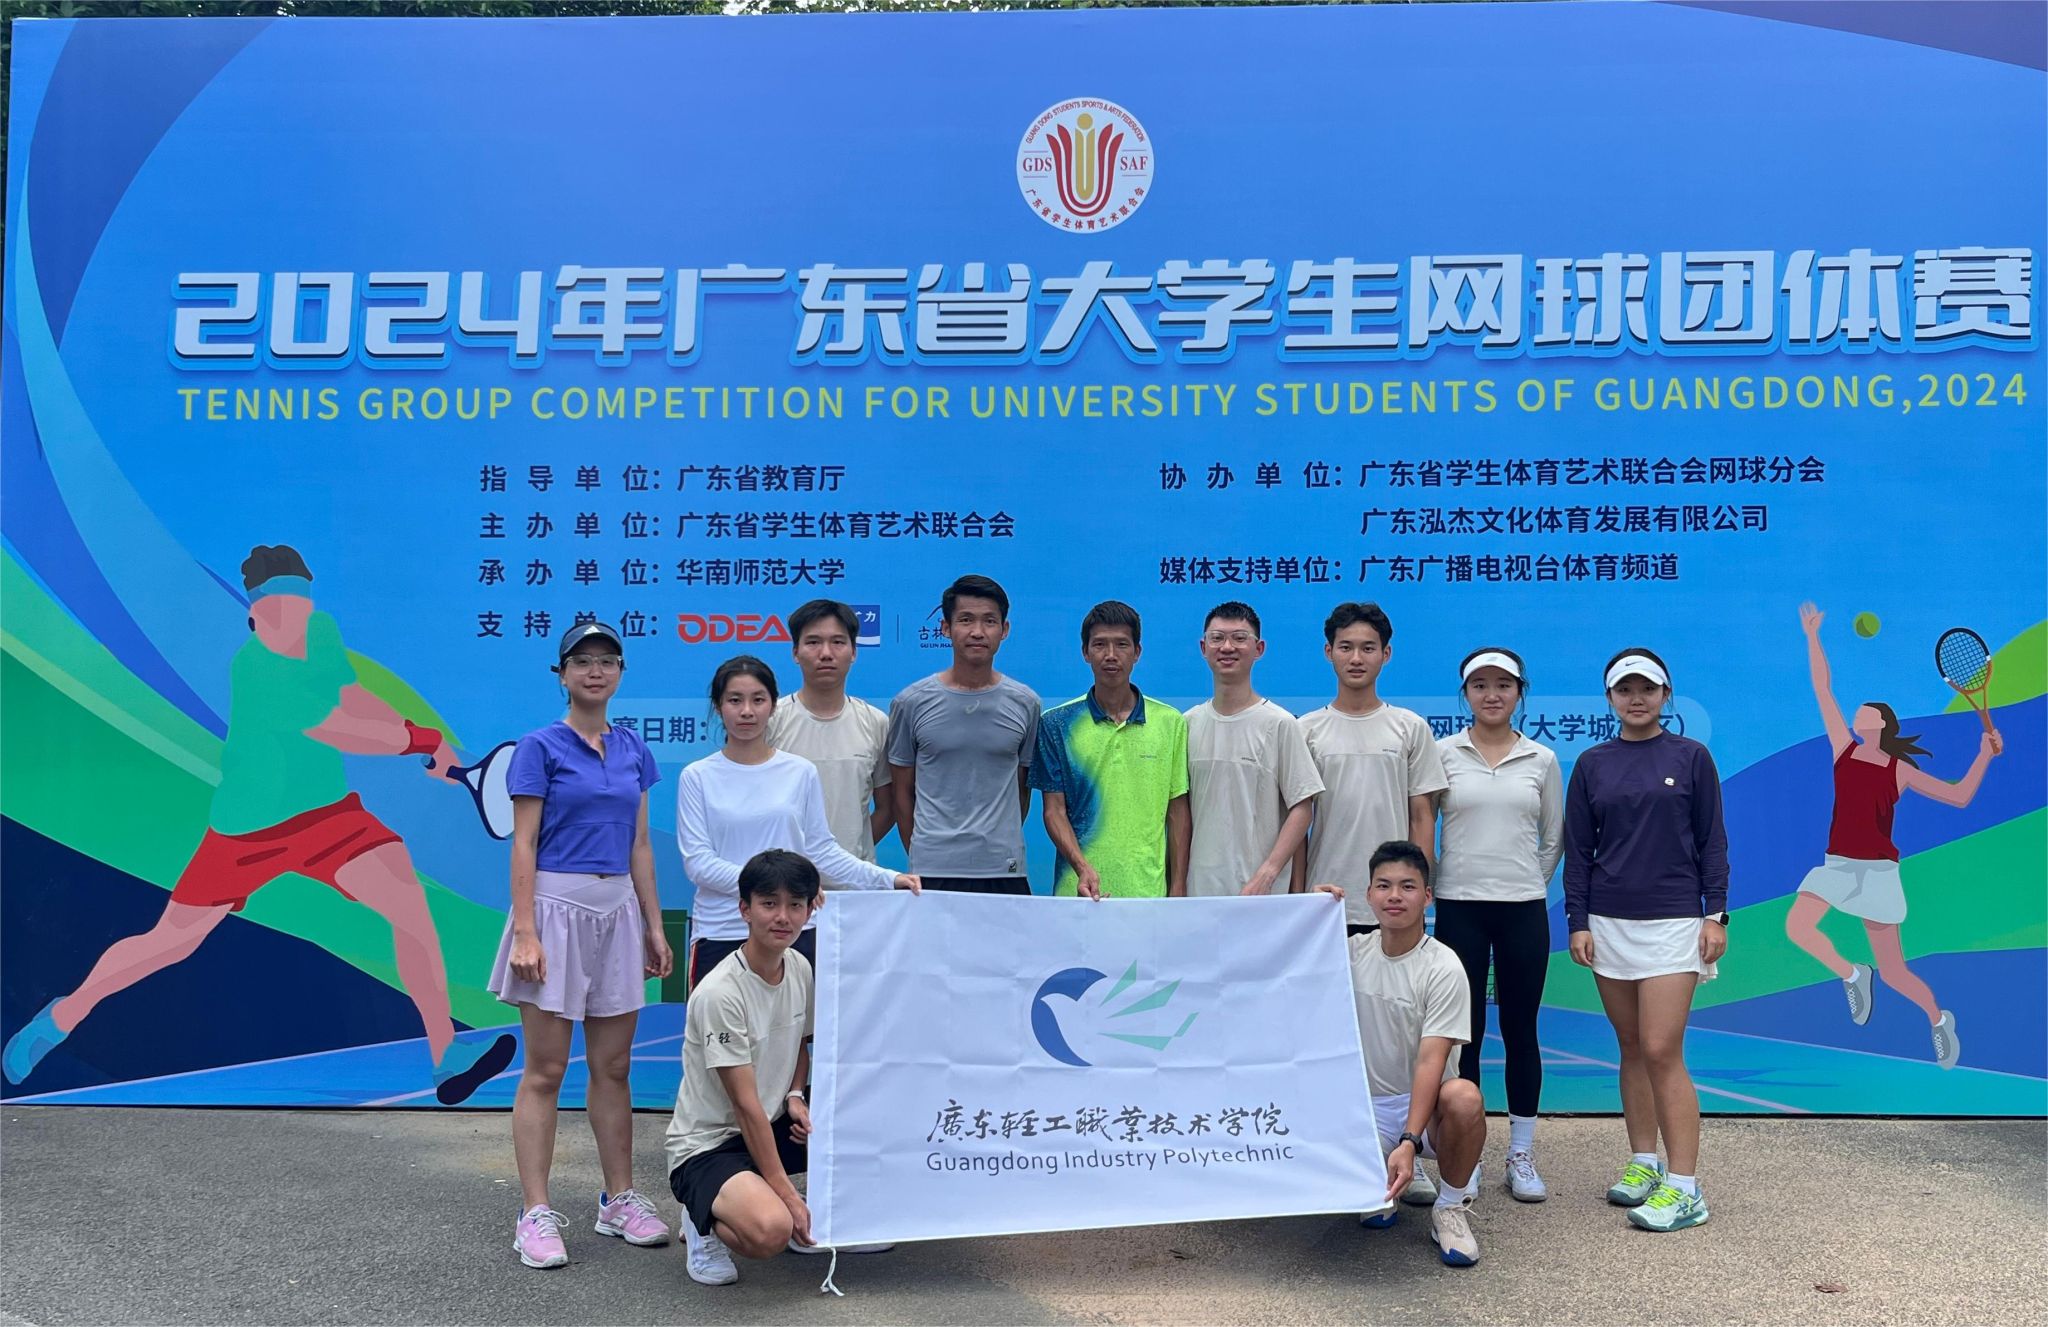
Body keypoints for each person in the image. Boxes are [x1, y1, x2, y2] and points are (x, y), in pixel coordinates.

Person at [2, 545, 514, 1101]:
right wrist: (422, 739)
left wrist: (421, 740)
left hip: (327, 815)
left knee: (407, 902)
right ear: (255, 612)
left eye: (299, 605)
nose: (291, 619)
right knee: (170, 943)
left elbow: (350, 695)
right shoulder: (255, 671)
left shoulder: (319, 634)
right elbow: (340, 729)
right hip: (249, 829)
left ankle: (445, 1054)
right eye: (278, 608)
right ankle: (64, 1015)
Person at [488, 622, 673, 1269]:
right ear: (562, 673)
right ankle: (534, 1212)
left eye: (607, 661)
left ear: (620, 672)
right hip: (553, 912)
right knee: (544, 1070)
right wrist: (527, 930)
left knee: (614, 1068)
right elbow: (524, 843)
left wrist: (653, 925)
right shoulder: (539, 747)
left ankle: (618, 1199)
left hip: (617, 912)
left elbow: (640, 844)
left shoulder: (633, 749)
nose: (596, 671)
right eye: (583, 661)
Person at [1785, 603, 2001, 1070]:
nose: (1856, 713)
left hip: (1879, 873)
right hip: (1839, 865)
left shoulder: (1900, 770)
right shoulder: (1843, 750)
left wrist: (1984, 755)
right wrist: (1812, 636)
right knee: (1797, 927)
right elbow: (1822, 687)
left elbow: (1959, 796)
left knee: (1895, 973)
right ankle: (1851, 974)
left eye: (1866, 711)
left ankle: (1938, 1019)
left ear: (1881, 724)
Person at [1564, 648, 1728, 1233]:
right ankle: (1644, 1162)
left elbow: (1712, 840)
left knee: (1661, 1049)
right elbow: (1579, 851)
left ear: (1665, 695)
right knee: (1631, 1045)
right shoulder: (1592, 764)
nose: (1636, 699)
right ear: (1610, 698)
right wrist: (1578, 921)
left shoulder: (1691, 757)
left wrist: (1717, 914)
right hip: (1608, 923)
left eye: (1647, 689)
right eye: (1625, 690)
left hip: (1674, 923)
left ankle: (1685, 1188)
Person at [1299, 600, 1448, 1205]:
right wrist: (1300, 899)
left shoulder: (1408, 728)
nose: (1356, 658)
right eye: (1345, 647)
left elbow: (1422, 815)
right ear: (1328, 652)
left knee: (1403, 1042)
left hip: (1393, 909)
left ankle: (1407, 1151)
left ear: (1386, 654)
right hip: (1329, 907)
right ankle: (1355, 1165)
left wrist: (1415, 895)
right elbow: (1299, 821)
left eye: (1368, 648)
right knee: (1340, 1041)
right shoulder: (1306, 730)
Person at [667, 850, 862, 1285]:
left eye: (796, 904)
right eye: (769, 903)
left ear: (810, 910)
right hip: (709, 1144)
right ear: (745, 909)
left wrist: (795, 1096)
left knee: (860, 1116)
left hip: (771, 1121)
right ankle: (700, 1219)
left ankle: (813, 1221)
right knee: (770, 1230)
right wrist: (787, 1194)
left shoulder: (799, 966)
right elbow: (745, 1105)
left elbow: (800, 1044)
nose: (783, 917)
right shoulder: (720, 993)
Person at [676, 657, 918, 991]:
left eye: (758, 700)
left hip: (792, 931)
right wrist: (782, 888)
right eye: (734, 700)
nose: (746, 711)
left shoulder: (800, 772)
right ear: (718, 707)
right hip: (723, 930)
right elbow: (699, 864)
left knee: (798, 1027)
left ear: (773, 706)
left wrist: (888, 879)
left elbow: (822, 850)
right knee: (719, 1026)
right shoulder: (697, 776)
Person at [1432, 647, 1563, 1202]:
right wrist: (1442, 881)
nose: (1492, 694)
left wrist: (1522, 882)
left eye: (1503, 685)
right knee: (1464, 1034)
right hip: (1458, 907)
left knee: (1520, 1030)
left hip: (1522, 910)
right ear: (1465, 693)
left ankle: (1521, 1154)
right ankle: (1468, 1155)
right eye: (1480, 685)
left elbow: (1553, 838)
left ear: (1519, 692)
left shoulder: (1541, 758)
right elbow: (1424, 825)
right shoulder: (1442, 753)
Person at [1341, 841, 1488, 1267]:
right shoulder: (1349, 952)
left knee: (1464, 1097)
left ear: (1427, 897)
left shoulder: (1443, 967)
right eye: (1383, 885)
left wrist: (1409, 1139)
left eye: (1407, 886)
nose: (1394, 896)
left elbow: (1431, 1061)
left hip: (1425, 1110)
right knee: (1374, 1213)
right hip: (1365, 1109)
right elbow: (1283, 955)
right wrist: (1309, 907)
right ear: (1368, 894)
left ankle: (1450, 1206)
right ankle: (1381, 1182)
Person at [887, 575, 1041, 895]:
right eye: (966, 620)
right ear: (946, 628)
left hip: (1004, 868)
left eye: (989, 621)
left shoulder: (1026, 703)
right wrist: (923, 853)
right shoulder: (910, 702)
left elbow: (1022, 789)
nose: (977, 632)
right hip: (931, 870)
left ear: (1004, 630)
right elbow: (902, 793)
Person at [1031, 601, 1190, 898]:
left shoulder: (1170, 722)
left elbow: (1177, 812)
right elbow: (1054, 811)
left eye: (1122, 644)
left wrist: (1178, 885)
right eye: (1100, 644)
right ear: (1085, 652)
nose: (1111, 655)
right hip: (1077, 893)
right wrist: (1082, 868)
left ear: (1137, 652)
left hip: (1148, 893)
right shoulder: (1057, 724)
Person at [1183, 601, 1324, 898]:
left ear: (1259, 648)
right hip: (1199, 892)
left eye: (1239, 638)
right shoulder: (1188, 724)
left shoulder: (1280, 724)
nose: (1227, 647)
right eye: (1217, 638)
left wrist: (1268, 872)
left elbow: (1302, 806)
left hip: (1261, 894)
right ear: (1203, 647)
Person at [766, 599, 896, 886]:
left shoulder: (876, 723)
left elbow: (888, 808)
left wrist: (848, 858)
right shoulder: (772, 721)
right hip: (786, 887)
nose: (826, 653)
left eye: (838, 642)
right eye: (813, 642)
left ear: (854, 652)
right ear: (795, 652)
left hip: (856, 885)